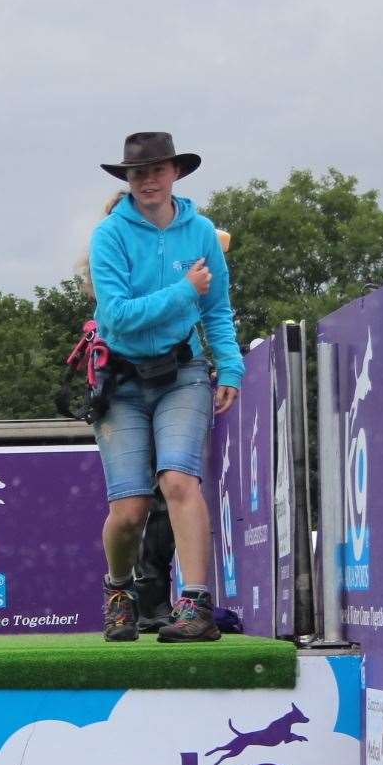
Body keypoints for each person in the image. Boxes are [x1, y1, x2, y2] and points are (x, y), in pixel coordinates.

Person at [86, 131, 243, 642]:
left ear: (176, 173)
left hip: (183, 374)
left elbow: (217, 309)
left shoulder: (199, 232)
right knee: (129, 511)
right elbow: (118, 318)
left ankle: (194, 602)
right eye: (137, 173)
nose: (148, 180)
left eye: (157, 170)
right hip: (123, 382)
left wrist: (231, 367)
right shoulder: (109, 236)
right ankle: (118, 590)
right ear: (127, 181)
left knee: (179, 482)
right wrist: (183, 291)